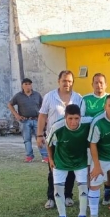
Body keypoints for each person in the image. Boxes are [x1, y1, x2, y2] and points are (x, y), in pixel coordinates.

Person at [37, 70, 83, 209]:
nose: (67, 83)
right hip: (55, 140)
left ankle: (68, 195)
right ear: (59, 81)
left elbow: (81, 118)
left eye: (69, 81)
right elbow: (42, 116)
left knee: (71, 170)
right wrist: (39, 135)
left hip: (72, 140)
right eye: (64, 80)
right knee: (53, 169)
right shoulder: (49, 96)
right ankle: (51, 197)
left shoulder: (78, 98)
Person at [46, 104, 93, 217]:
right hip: (61, 160)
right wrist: (50, 159)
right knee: (58, 189)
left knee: (83, 187)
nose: (73, 122)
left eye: (76, 118)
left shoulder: (88, 122)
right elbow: (48, 143)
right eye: (70, 118)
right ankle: (62, 216)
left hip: (80, 160)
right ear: (65, 117)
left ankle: (82, 216)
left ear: (80, 117)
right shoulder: (57, 126)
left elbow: (100, 118)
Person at [80, 73, 110, 204]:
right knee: (91, 166)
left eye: (101, 82)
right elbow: (81, 118)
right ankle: (92, 192)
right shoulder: (86, 99)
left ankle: (107, 192)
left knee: (108, 167)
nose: (98, 85)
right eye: (96, 82)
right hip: (91, 139)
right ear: (92, 84)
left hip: (108, 139)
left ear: (106, 84)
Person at [8, 78, 48, 163]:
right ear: (22, 86)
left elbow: (43, 106)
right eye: (25, 84)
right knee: (27, 139)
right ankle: (29, 156)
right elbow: (10, 104)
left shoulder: (37, 95)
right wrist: (16, 115)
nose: (27, 86)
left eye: (29, 84)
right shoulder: (18, 96)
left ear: (31, 85)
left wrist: (45, 118)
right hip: (25, 121)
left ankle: (45, 156)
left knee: (40, 137)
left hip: (37, 119)